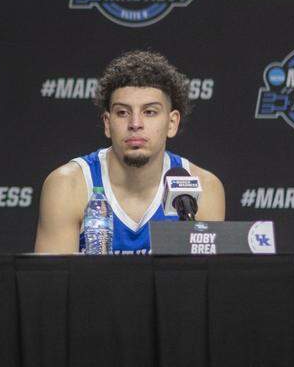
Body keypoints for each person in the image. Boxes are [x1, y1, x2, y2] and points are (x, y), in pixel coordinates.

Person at [34, 50, 225, 254]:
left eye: (149, 112)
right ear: (107, 124)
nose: (135, 124)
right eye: (123, 112)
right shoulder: (69, 186)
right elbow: (52, 284)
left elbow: (202, 283)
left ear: (172, 123)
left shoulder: (204, 188)